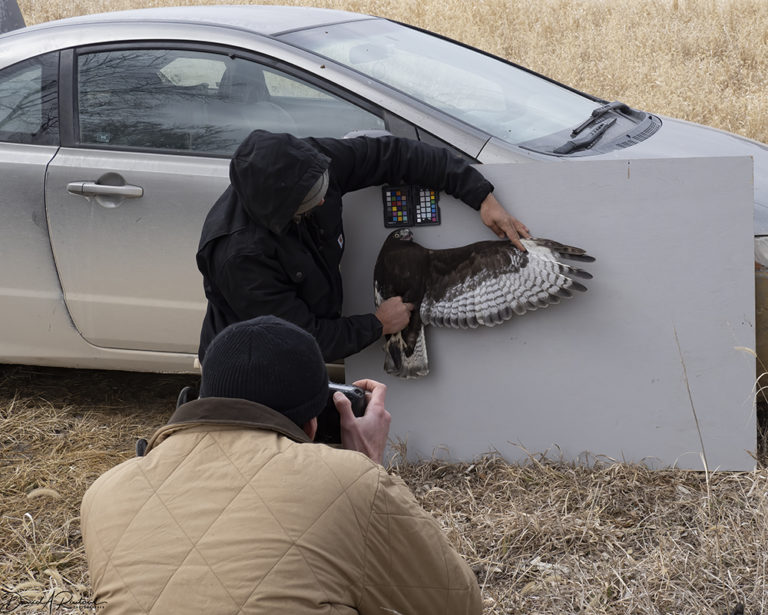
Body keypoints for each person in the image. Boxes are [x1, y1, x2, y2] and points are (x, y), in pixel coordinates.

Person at [81, 315, 482, 615]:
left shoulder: (103, 493)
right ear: (313, 422)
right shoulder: (352, 482)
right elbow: (457, 605)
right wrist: (368, 470)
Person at [197, 129, 530, 362]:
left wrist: (479, 195)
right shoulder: (241, 255)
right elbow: (300, 337)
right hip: (252, 360)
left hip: (298, 337)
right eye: (313, 199)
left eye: (324, 184)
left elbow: (393, 155)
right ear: (285, 211)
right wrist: (377, 324)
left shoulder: (309, 164)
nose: (325, 197)